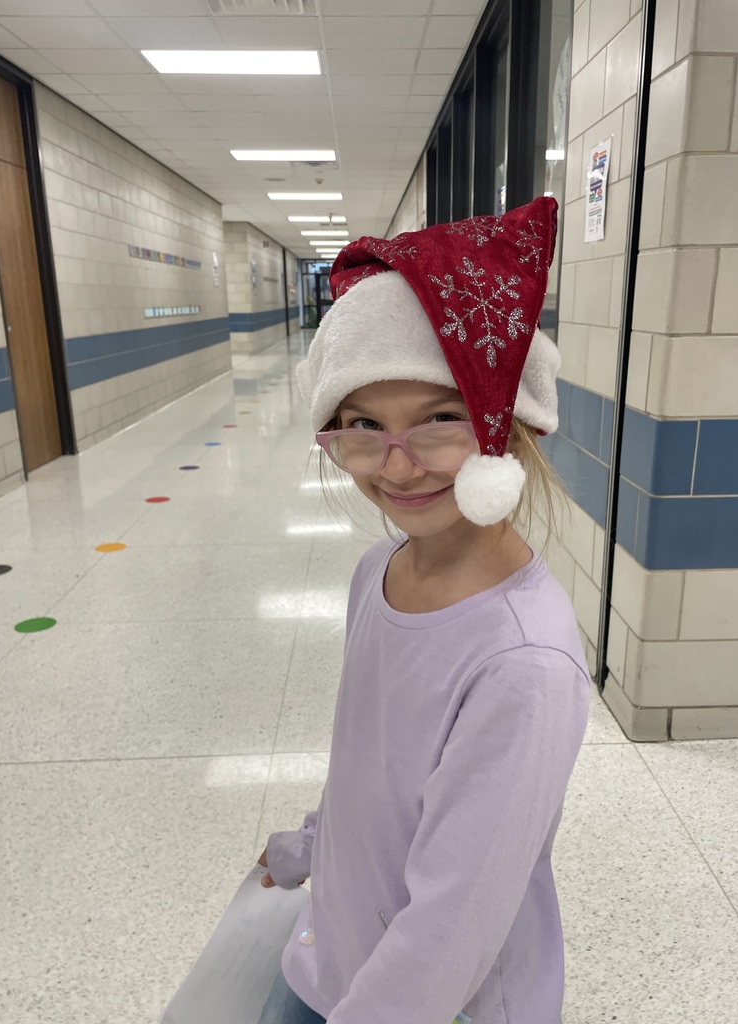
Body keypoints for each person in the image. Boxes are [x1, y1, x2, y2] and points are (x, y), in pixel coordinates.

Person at [257, 197, 590, 1024]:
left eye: (439, 420)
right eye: (362, 425)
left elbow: (454, 926)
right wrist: (310, 848)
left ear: (510, 429)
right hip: (333, 956)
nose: (397, 466)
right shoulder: (381, 571)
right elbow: (370, 771)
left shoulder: (523, 664)